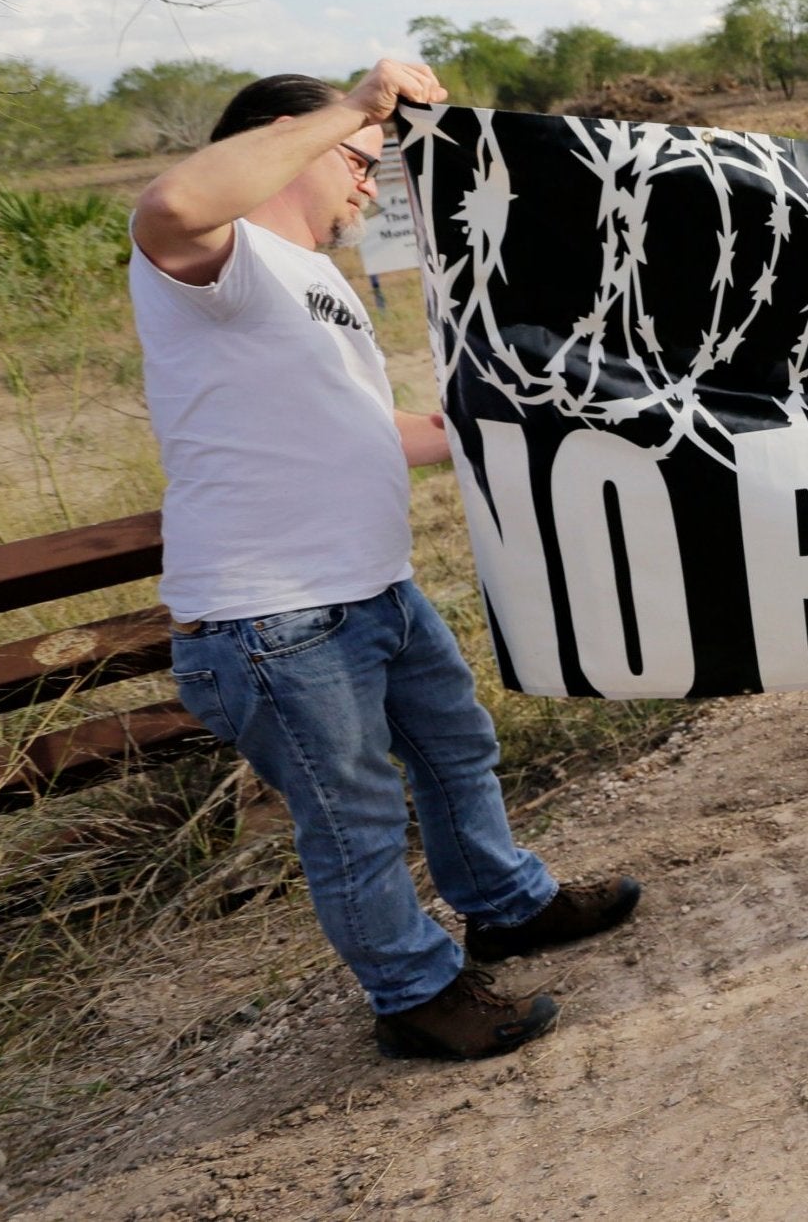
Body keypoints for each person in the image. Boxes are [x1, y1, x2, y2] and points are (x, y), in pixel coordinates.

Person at [130, 61, 641, 1062]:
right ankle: (414, 993)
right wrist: (353, 105)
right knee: (354, 820)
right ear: (294, 135)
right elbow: (175, 198)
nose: (372, 183)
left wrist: (513, 422)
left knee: (458, 751)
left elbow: (373, 430)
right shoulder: (208, 254)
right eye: (363, 160)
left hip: (371, 591)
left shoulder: (312, 276)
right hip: (272, 615)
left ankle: (506, 904)